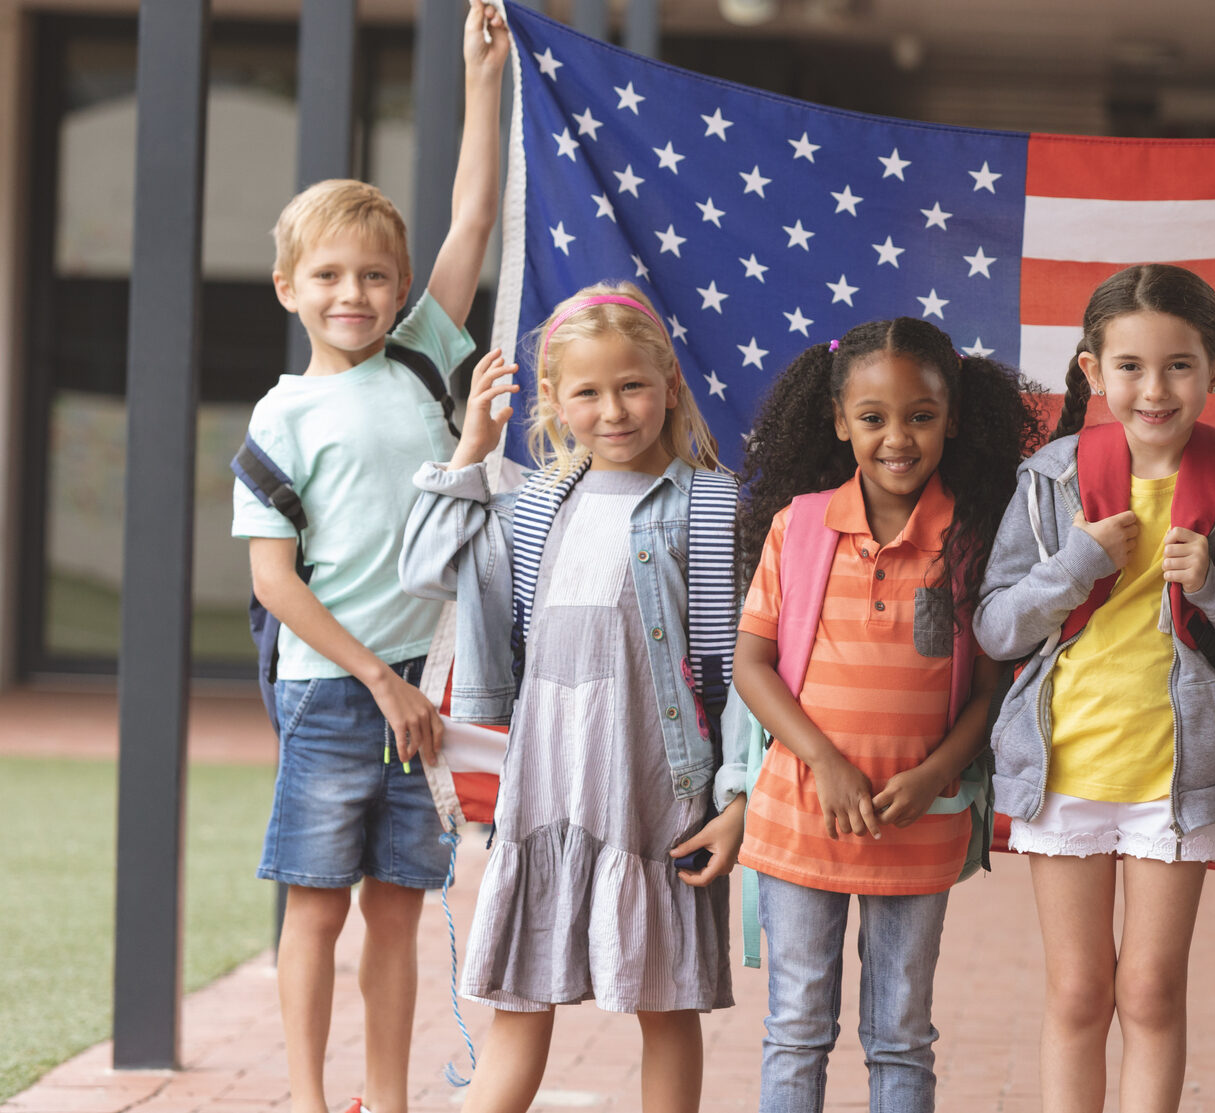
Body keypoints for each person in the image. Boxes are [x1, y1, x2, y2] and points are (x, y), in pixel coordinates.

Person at [230, 7, 507, 1112]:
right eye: (332, 276)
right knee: (316, 909)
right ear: (291, 287)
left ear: (400, 291)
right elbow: (272, 582)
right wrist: (377, 680)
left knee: (399, 912)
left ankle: (384, 1102)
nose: (356, 295)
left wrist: (480, 84)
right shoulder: (284, 416)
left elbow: (474, 216)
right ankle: (309, 1099)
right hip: (338, 699)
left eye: (377, 277)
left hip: (431, 698)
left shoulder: (422, 363)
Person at [975, 263, 1215, 1113]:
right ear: (1092, 370)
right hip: (1062, 765)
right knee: (1077, 994)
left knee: (1151, 995)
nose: (1154, 388)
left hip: (1179, 775)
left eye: (1179, 364)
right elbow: (995, 627)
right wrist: (1078, 561)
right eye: (1129, 365)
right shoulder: (1052, 479)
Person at [397, 283, 744, 1113]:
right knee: (518, 1003)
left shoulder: (714, 506)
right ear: (552, 400)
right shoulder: (531, 506)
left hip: (659, 789)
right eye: (586, 391)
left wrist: (735, 799)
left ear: (670, 386)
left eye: (631, 385)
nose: (613, 410)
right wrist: (473, 443)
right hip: (546, 787)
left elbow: (742, 674)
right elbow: (422, 568)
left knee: (665, 1003)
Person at [730, 317, 1041, 1113]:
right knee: (797, 1026)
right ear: (840, 421)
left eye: (920, 416)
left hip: (921, 821)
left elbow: (988, 689)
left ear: (953, 417)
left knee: (901, 1034)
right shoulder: (796, 529)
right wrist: (825, 763)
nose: (896, 437)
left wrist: (938, 770)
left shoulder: (976, 538)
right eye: (872, 418)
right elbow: (752, 666)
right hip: (801, 819)